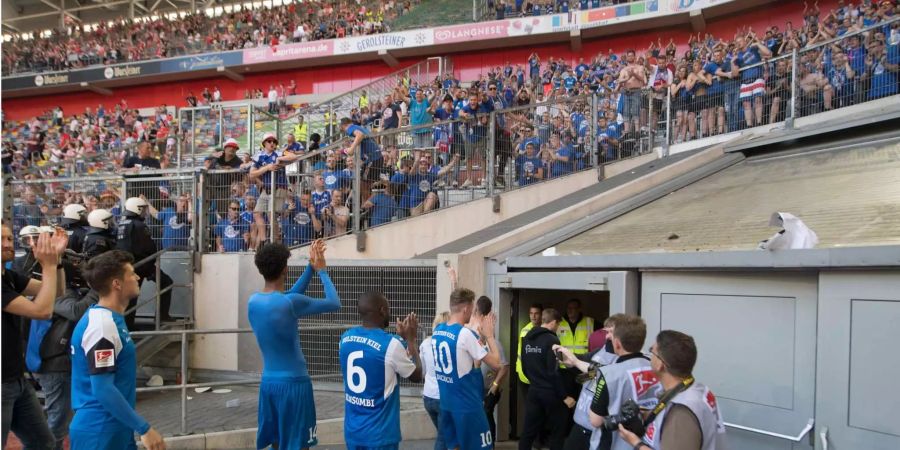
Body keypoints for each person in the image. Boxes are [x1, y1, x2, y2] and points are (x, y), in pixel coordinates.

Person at [69, 250, 166, 450]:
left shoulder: (109, 320)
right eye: (132, 273)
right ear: (117, 284)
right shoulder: (102, 326)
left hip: (114, 426)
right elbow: (102, 388)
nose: (138, 277)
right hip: (100, 430)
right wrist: (144, 428)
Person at [248, 240, 340, 450]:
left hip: (269, 384)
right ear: (285, 269)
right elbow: (334, 302)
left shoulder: (254, 301)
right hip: (295, 385)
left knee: (277, 444)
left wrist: (310, 267)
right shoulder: (290, 302)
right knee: (299, 445)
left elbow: (286, 297)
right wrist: (322, 271)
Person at [2, 223, 67, 450]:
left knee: (43, 443)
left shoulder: (8, 276)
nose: (7, 244)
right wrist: (47, 265)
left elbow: (55, 292)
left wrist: (56, 261)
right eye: (1, 240)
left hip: (16, 380)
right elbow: (42, 311)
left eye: (9, 239)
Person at [558, 315, 661, 450]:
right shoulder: (655, 366)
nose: (607, 337)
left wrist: (575, 362)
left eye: (610, 333)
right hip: (642, 440)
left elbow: (595, 421)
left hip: (613, 441)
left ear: (617, 342)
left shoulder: (609, 374)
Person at [339, 291, 424, 449]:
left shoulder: (345, 338)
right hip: (380, 435)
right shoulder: (391, 345)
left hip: (353, 431)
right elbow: (417, 375)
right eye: (389, 309)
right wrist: (411, 340)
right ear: (382, 310)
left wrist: (400, 341)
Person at [617, 330, 727, 450]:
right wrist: (646, 415)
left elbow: (682, 425)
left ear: (660, 364)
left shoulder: (681, 413)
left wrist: (636, 443)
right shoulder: (698, 390)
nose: (650, 356)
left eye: (651, 351)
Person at [432, 287, 503, 450]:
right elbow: (497, 364)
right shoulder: (465, 335)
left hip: (447, 404)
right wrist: (490, 335)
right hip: (467, 406)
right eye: (471, 307)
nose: (472, 312)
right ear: (466, 308)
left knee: (454, 447)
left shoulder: (438, 330)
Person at [518, 308, 573, 450]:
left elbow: (524, 366)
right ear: (554, 322)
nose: (558, 328)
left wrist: (534, 381)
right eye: (558, 325)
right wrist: (564, 396)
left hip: (534, 390)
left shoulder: (527, 337)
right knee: (557, 431)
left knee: (528, 432)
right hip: (551, 393)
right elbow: (554, 372)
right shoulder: (552, 340)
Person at [116, 197, 174, 326]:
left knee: (131, 297)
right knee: (167, 282)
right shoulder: (139, 225)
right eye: (143, 209)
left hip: (129, 265)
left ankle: (128, 325)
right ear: (137, 209)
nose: (145, 212)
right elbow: (148, 246)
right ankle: (161, 317)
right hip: (142, 265)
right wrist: (150, 261)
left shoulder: (122, 224)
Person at [474, 296, 509, 444]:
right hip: (478, 388)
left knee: (487, 414)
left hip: (490, 389)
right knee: (481, 416)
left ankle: (491, 444)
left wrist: (494, 386)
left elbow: (504, 367)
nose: (478, 328)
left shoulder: (495, 345)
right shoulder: (477, 343)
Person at [421, 311, 450, 450]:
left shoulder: (425, 343)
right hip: (443, 398)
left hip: (428, 396)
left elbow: (422, 370)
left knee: (445, 435)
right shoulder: (450, 344)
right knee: (443, 438)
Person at [515, 304, 542, 392]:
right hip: (524, 375)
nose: (533, 316)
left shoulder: (545, 330)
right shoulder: (524, 330)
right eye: (531, 313)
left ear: (541, 315)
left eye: (536, 313)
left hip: (538, 375)